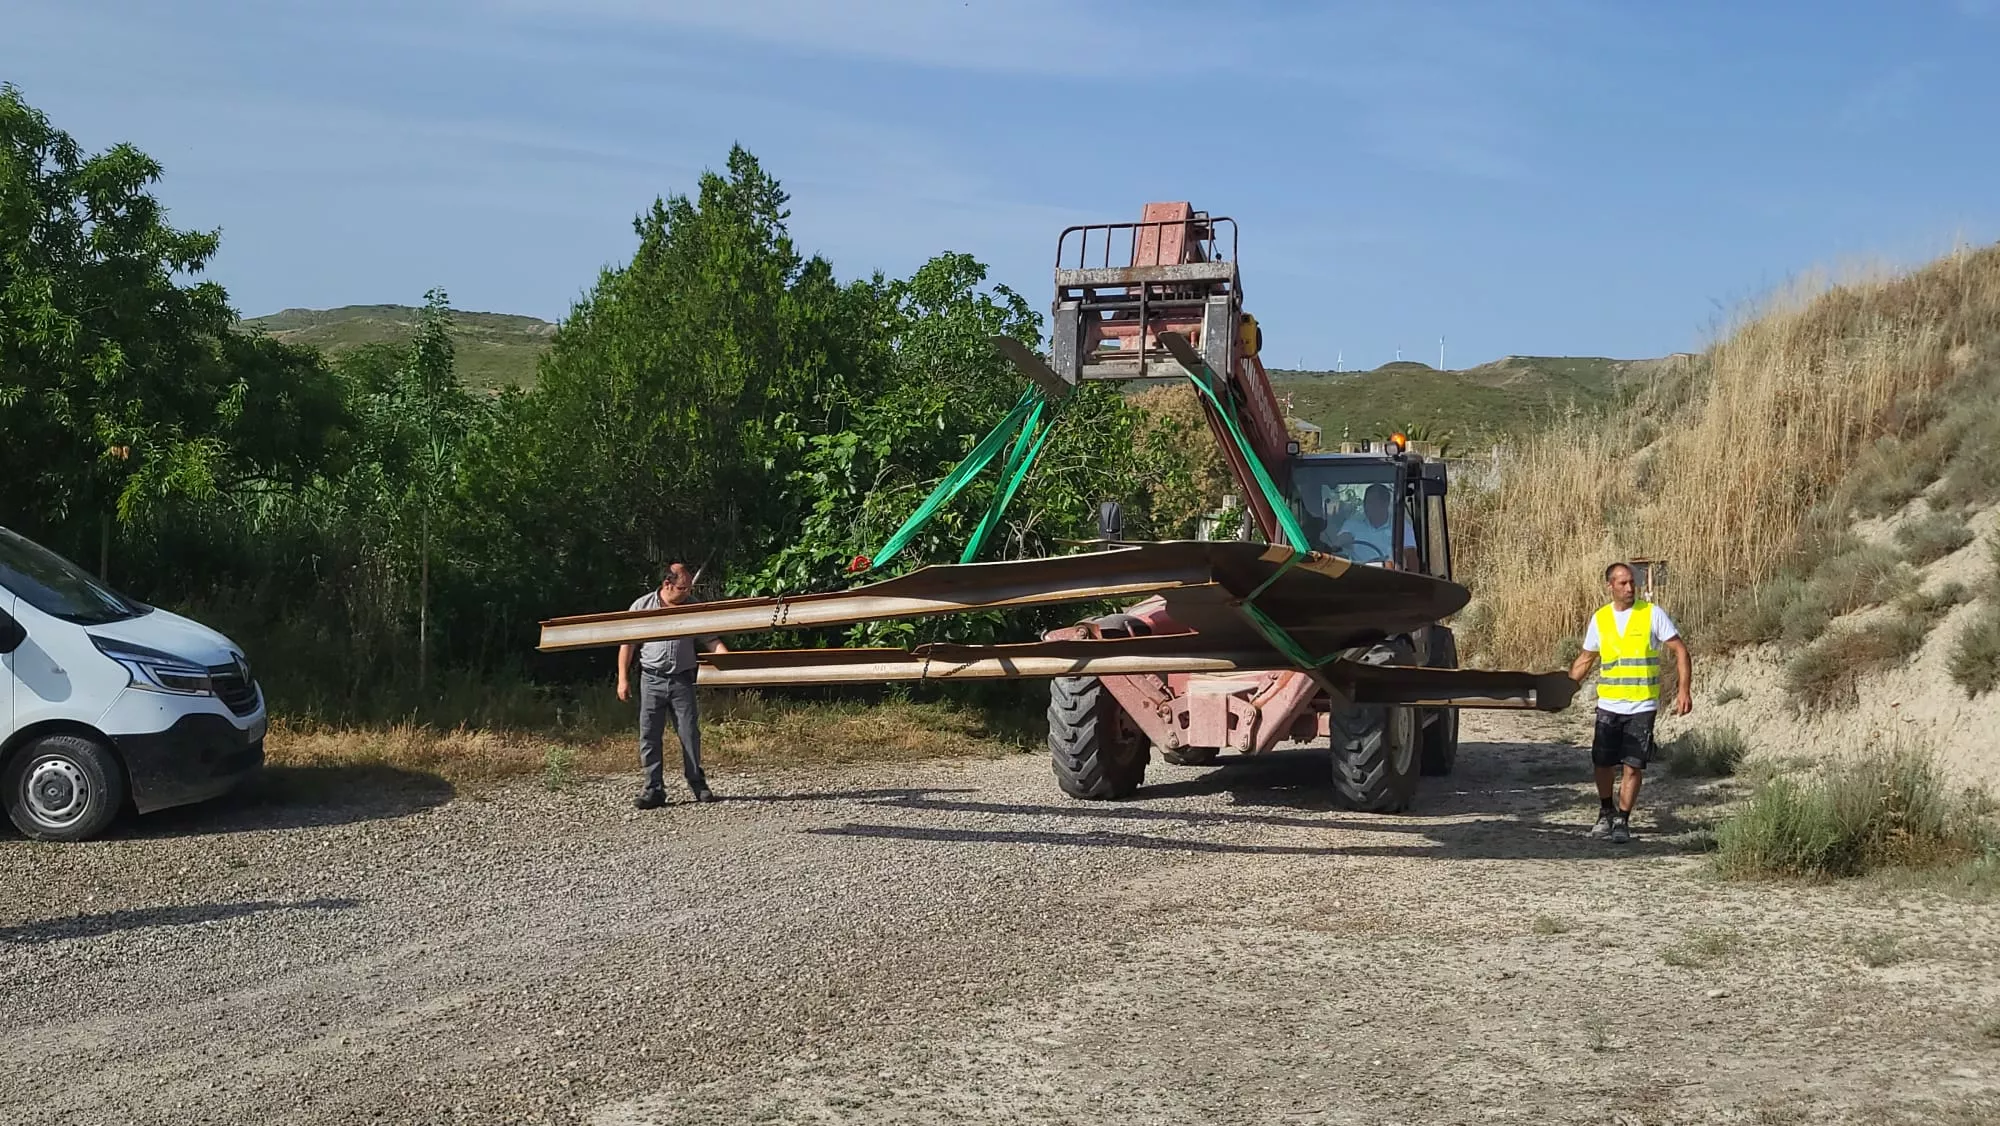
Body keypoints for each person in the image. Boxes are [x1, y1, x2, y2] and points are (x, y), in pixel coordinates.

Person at [1567, 561, 1692, 843]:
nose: (1629, 587)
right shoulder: (1600, 619)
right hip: (1609, 705)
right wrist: (1562, 689)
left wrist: (1684, 691)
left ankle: (1623, 820)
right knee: (1602, 763)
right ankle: (1605, 813)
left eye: (1631, 582)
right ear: (1610, 586)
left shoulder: (1652, 614)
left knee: (1632, 765)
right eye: (1622, 583)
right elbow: (1586, 659)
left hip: (1642, 705)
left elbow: (1680, 651)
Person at [616, 562, 729, 809]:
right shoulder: (642, 606)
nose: (687, 591)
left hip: (682, 680)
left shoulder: (694, 607)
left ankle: (697, 783)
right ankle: (653, 789)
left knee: (689, 733)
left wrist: (729, 662)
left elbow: (711, 640)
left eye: (689, 587)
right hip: (651, 679)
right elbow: (627, 644)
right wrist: (622, 679)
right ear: (667, 584)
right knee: (649, 735)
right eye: (682, 587)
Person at [1330, 483, 1420, 569]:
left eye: (1372, 502)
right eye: (1366, 502)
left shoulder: (1401, 526)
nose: (1367, 506)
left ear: (1386, 503)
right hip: (1357, 576)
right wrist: (1338, 545)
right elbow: (1341, 541)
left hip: (1390, 576)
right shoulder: (1353, 523)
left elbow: (1410, 556)